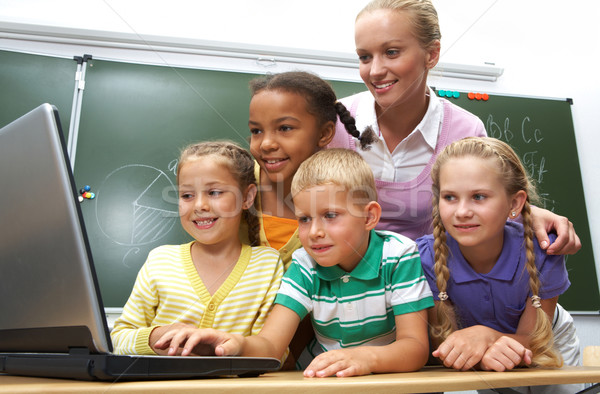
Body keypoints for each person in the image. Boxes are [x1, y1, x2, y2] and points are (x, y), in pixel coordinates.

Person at [154, 148, 434, 378]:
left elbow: (415, 347)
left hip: (387, 381)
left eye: (331, 215)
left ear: (370, 217)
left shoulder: (398, 255)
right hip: (321, 382)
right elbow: (271, 346)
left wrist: (366, 358)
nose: (314, 232)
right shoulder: (305, 264)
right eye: (304, 219)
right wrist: (235, 343)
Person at [329, 0, 580, 254]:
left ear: (432, 54)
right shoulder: (331, 123)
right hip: (340, 284)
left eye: (392, 52)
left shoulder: (465, 130)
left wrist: (529, 213)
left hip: (429, 284)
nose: (375, 70)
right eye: (364, 57)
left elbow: (484, 204)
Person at [417, 137, 581, 393]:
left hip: (546, 342)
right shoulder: (427, 256)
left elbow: (533, 342)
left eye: (479, 196)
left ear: (515, 203)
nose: (461, 211)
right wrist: (483, 347)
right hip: (480, 349)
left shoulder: (543, 250)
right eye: (449, 197)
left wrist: (487, 335)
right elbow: (445, 344)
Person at [111, 140, 283, 355]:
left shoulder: (267, 264)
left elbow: (273, 349)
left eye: (214, 192)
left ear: (246, 197)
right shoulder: (160, 261)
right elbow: (117, 340)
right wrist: (156, 336)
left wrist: (222, 347)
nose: (199, 205)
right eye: (187, 195)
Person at [246, 71, 362, 270]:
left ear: (324, 133)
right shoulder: (236, 182)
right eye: (256, 131)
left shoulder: (342, 193)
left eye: (284, 128)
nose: (266, 144)